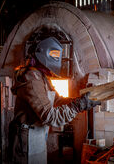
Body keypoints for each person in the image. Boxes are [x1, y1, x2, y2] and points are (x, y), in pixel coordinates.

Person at [8, 26, 101, 164]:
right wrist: (77, 106)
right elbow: (49, 116)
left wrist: (81, 101)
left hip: (36, 136)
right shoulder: (32, 79)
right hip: (25, 141)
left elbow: (57, 100)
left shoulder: (42, 77)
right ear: (43, 55)